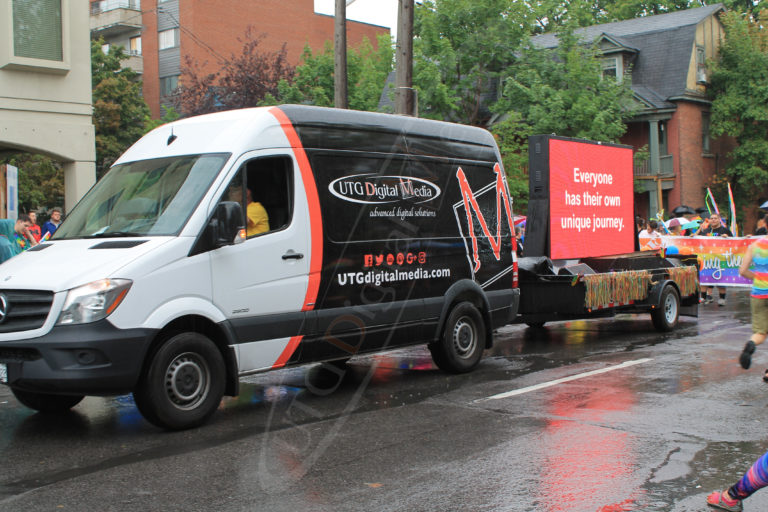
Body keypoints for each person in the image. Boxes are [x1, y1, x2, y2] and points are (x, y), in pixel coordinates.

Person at [697, 213, 733, 305]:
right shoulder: (706, 231)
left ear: (719, 219)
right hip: (707, 259)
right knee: (705, 278)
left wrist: (727, 238)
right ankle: (703, 297)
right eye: (711, 218)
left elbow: (734, 242)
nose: (713, 220)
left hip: (720, 259)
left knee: (721, 279)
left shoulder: (725, 230)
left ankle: (722, 299)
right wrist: (693, 237)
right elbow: (698, 240)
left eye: (715, 218)